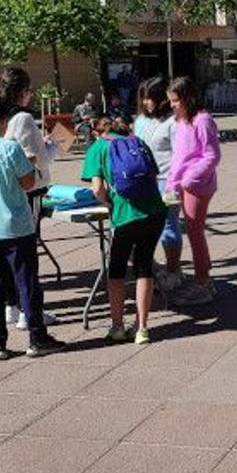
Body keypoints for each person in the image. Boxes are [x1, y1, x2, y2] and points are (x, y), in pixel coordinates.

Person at [0, 95, 65, 360]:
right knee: (26, 282)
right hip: (16, 226)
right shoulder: (9, 148)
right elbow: (28, 183)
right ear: (3, 121)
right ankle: (36, 337)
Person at [83, 116, 167, 344]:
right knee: (143, 265)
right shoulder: (137, 141)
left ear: (98, 132)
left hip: (124, 215)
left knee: (117, 269)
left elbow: (98, 189)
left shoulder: (98, 147)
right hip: (154, 212)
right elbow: (153, 174)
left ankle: (117, 326)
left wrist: (108, 203)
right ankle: (142, 328)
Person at [0, 68, 59, 329]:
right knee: (25, 252)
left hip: (5, 190)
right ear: (23, 92)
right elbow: (38, 159)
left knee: (7, 251)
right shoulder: (22, 118)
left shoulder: (0, 115)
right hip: (28, 190)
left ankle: (12, 305)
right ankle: (28, 311)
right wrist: (53, 145)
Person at [165, 77, 221, 306]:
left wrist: (189, 179)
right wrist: (172, 182)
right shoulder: (181, 121)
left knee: (194, 231)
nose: (172, 105)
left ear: (188, 98)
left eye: (176, 100)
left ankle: (203, 282)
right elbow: (179, 156)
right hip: (183, 184)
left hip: (198, 185)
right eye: (171, 101)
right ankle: (204, 276)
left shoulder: (203, 120)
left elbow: (211, 155)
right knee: (192, 230)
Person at [133, 77, 185, 295]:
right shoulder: (140, 121)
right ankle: (152, 266)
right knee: (140, 228)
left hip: (167, 180)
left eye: (150, 99)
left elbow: (181, 154)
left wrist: (176, 182)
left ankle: (173, 271)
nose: (146, 103)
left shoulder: (174, 122)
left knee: (168, 227)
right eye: (143, 99)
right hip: (142, 180)